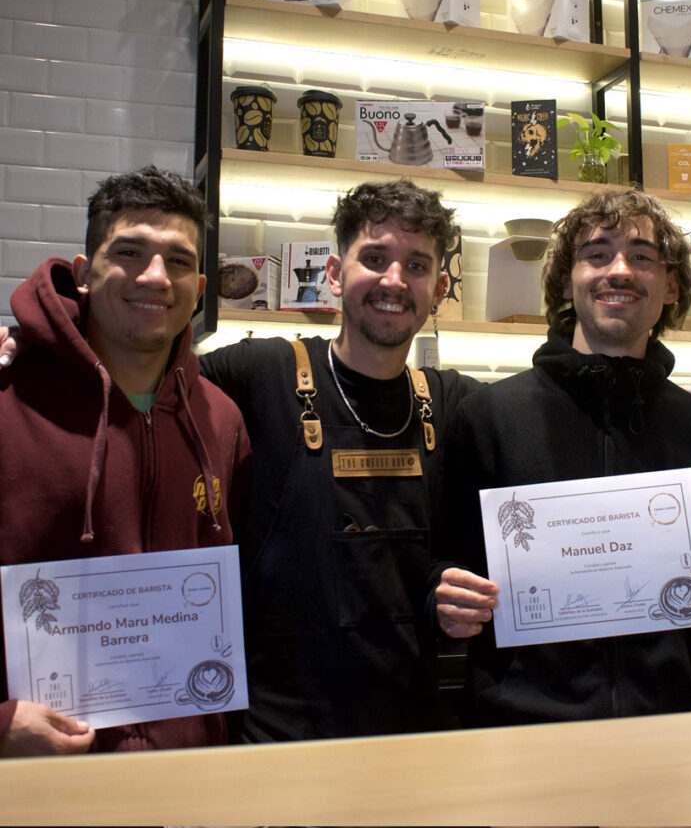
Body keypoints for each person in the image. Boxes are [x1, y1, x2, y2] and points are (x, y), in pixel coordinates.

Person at [433, 187, 691, 727]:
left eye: (642, 256)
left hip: (668, 729)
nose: (619, 270)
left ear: (671, 285)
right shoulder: (489, 418)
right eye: (597, 254)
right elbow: (443, 563)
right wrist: (443, 599)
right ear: (567, 281)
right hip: (519, 730)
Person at [199, 178, 479, 742]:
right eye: (374, 258)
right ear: (333, 273)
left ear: (438, 288)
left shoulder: (451, 403)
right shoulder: (262, 374)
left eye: (416, 266)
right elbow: (145, 379)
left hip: (412, 732)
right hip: (276, 735)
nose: (394, 280)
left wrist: (448, 593)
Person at [0, 166, 251, 757]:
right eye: (129, 252)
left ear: (199, 287)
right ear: (84, 273)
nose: (156, 276)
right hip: (40, 768)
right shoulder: (8, 401)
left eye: (178, 261)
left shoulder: (220, 420)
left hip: (185, 767)